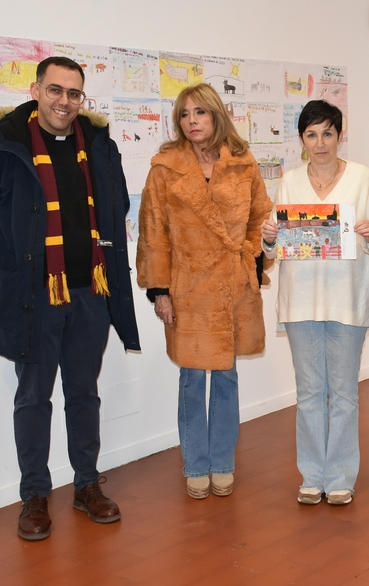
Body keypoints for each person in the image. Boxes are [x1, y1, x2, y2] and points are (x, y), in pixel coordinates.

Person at [0, 57, 140, 540]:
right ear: (36, 90)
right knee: (33, 398)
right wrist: (12, 267)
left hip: (88, 294)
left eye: (73, 93)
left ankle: (86, 486)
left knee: (84, 394)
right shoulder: (2, 148)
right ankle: (34, 496)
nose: (64, 101)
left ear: (83, 99)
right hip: (32, 300)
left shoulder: (99, 146)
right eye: (55, 90)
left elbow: (115, 208)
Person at [137, 83, 272, 500]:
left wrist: (252, 257)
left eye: (200, 112)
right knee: (192, 378)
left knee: (227, 377)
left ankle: (223, 463)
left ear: (217, 115)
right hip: (188, 286)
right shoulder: (165, 167)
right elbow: (153, 233)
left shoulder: (243, 163)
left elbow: (260, 218)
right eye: (184, 114)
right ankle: (195, 463)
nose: (192, 121)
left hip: (233, 284)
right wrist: (160, 290)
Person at [260, 100, 369, 506]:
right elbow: (275, 250)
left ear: (339, 134)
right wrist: (268, 236)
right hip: (300, 303)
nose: (320, 143)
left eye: (328, 133)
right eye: (311, 135)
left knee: (345, 393)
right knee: (310, 392)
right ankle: (312, 475)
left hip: (347, 301)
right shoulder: (290, 183)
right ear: (302, 140)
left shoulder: (362, 178)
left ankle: (340, 477)